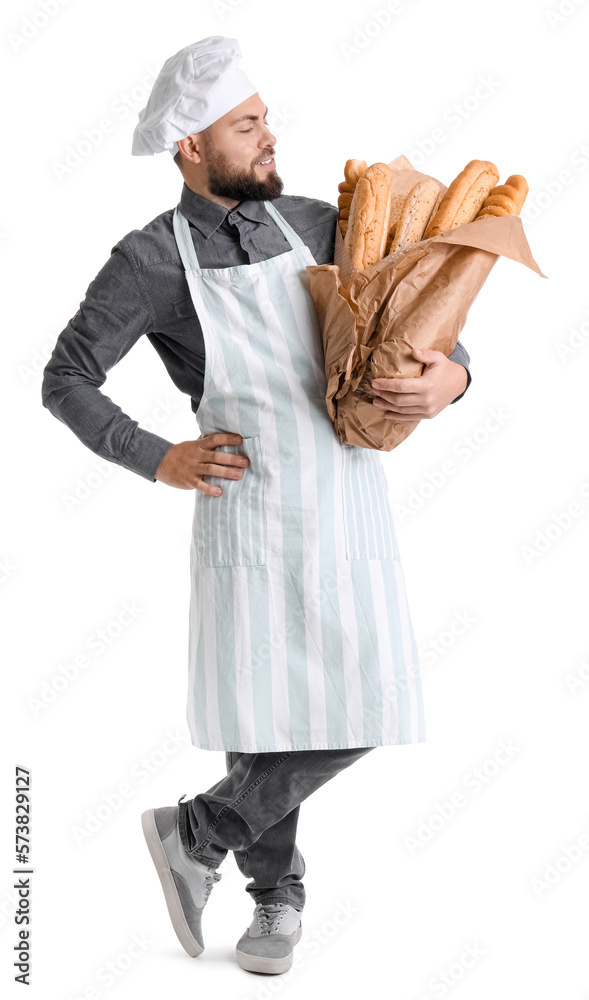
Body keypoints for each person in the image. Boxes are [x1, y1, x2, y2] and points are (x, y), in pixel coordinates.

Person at [41, 36, 472, 977]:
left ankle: (197, 831)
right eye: (246, 126)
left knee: (368, 699)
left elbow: (430, 320)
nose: (269, 138)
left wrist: (452, 380)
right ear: (191, 147)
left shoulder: (321, 226)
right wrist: (159, 457)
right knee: (266, 710)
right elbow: (65, 378)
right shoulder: (152, 259)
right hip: (248, 507)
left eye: (265, 118)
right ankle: (273, 900)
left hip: (347, 500)